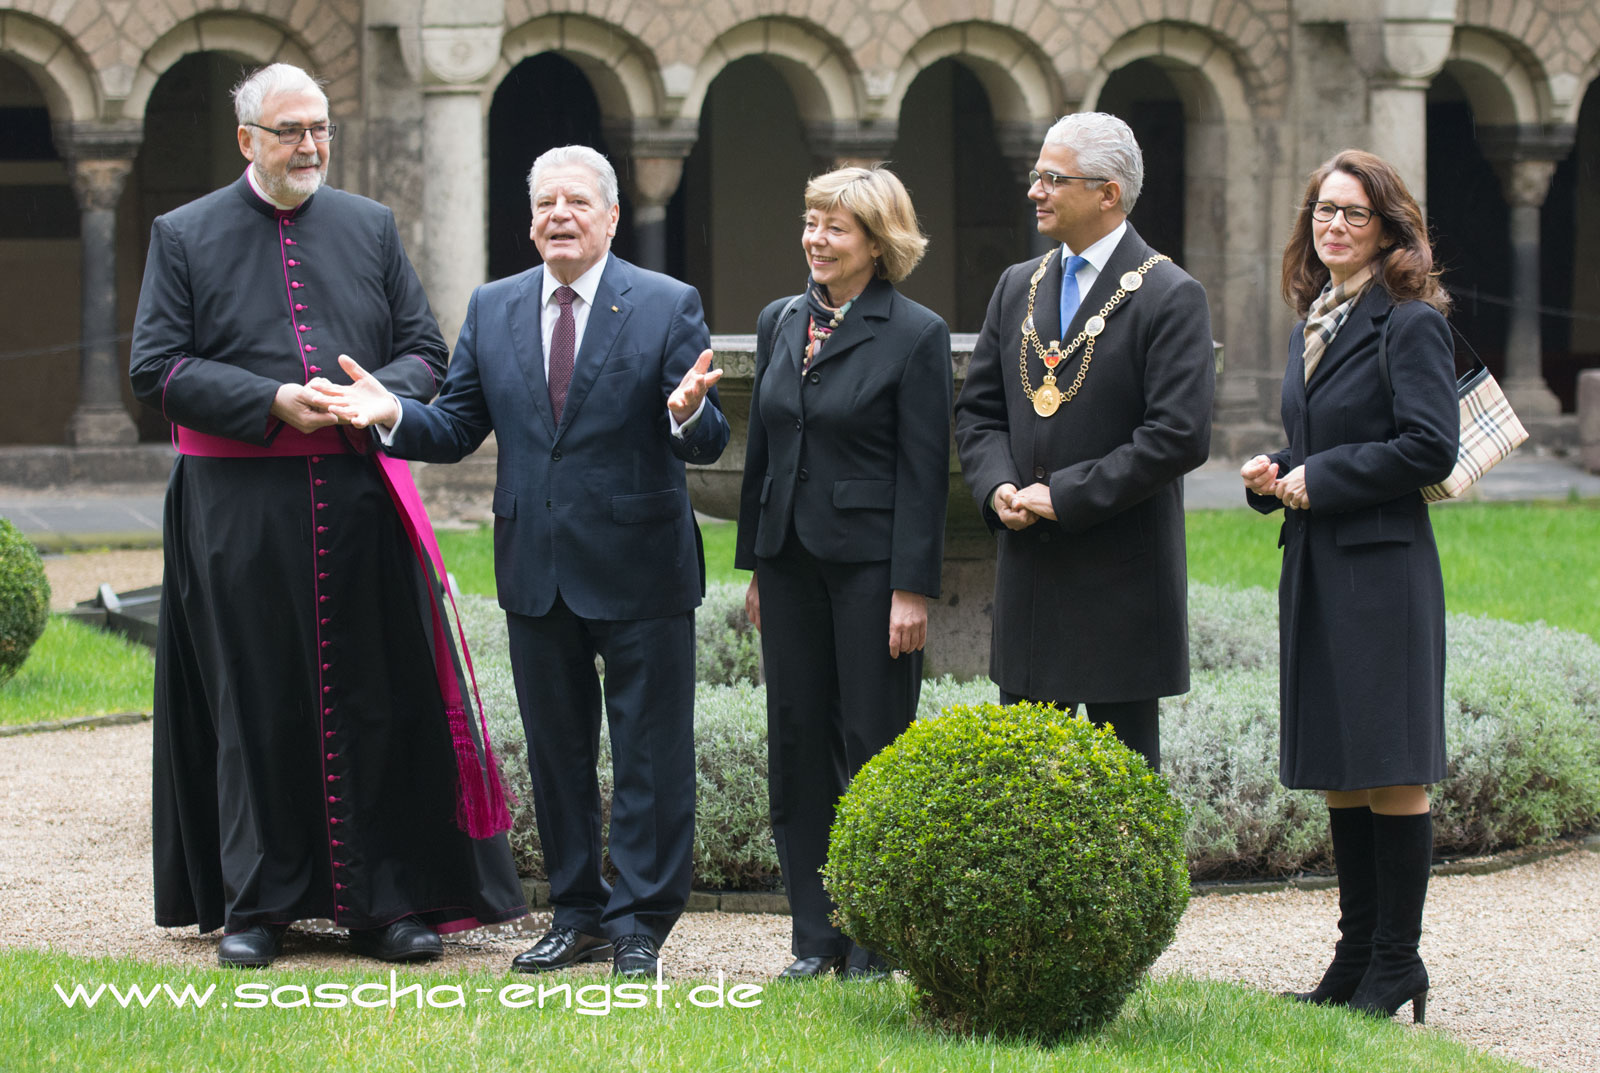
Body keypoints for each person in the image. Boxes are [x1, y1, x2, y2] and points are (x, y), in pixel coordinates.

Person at [128, 63, 526, 969]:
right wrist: (271, 398)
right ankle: (257, 905)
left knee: (373, 696)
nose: (310, 147)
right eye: (290, 132)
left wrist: (375, 397)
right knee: (253, 698)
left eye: (321, 130)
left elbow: (427, 352)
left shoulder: (370, 227)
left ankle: (385, 905)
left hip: (357, 501)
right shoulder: (183, 235)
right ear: (247, 140)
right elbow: (158, 370)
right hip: (238, 513)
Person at [323, 145, 730, 979]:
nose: (559, 216)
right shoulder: (494, 305)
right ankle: (577, 914)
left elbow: (712, 435)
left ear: (612, 218)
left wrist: (689, 415)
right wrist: (390, 411)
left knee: (651, 755)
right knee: (557, 754)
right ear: (529, 218)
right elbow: (456, 425)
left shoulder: (664, 304)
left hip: (642, 568)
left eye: (578, 202)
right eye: (546, 203)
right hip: (536, 568)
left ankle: (640, 923)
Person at [1241, 149, 1458, 1023]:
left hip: (1382, 570)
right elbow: (1330, 439)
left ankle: (1397, 961)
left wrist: (1320, 476)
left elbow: (1427, 447)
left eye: (1353, 214)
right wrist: (1278, 470)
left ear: (1388, 228)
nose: (1332, 225)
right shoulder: (1316, 320)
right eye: (1323, 211)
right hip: (1320, 565)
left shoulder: (1409, 322)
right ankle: (1355, 954)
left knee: (1390, 766)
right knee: (1339, 765)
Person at [736, 167, 952, 981]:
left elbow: (924, 471)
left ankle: (875, 939)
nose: (816, 240)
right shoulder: (780, 320)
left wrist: (911, 587)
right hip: (788, 564)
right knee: (794, 743)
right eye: (811, 222)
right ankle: (813, 936)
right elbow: (762, 450)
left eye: (836, 228)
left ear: (877, 242)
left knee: (875, 747)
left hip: (870, 571)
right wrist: (756, 564)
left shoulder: (916, 333)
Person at [952, 112, 1214, 771]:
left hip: (1119, 588)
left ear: (1108, 193)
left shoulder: (1171, 295)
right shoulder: (1018, 285)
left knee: (1122, 797)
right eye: (1034, 176)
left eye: (1051, 178)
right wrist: (998, 486)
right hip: (1031, 587)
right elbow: (978, 411)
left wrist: (1061, 496)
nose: (1034, 190)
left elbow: (1178, 436)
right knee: (1025, 797)